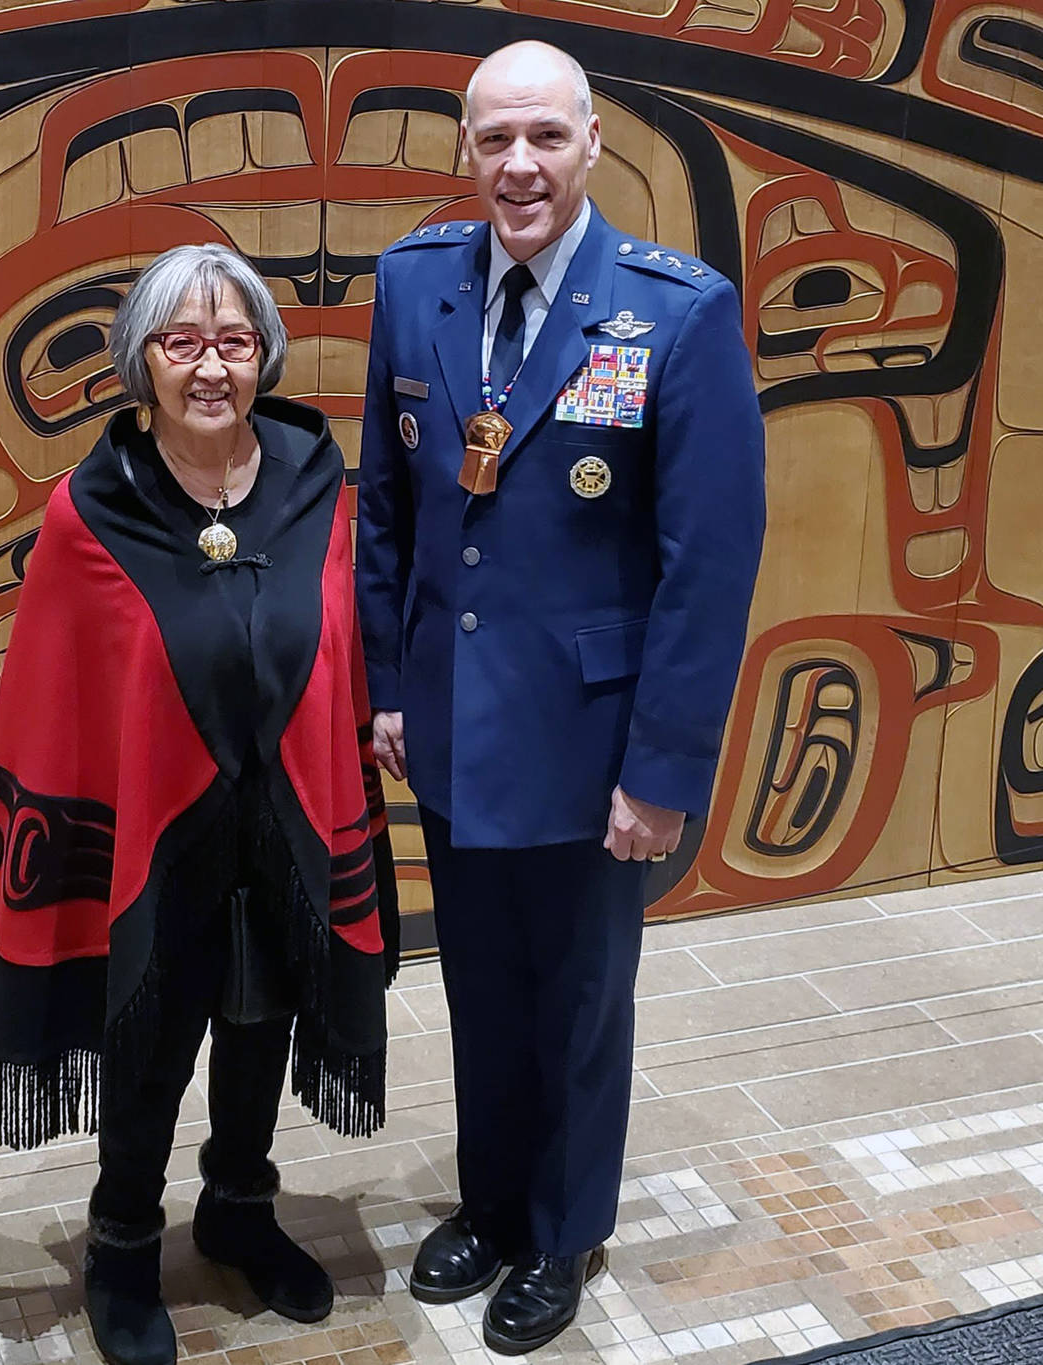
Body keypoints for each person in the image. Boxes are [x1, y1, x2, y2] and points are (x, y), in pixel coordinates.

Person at [355, 40, 767, 1355]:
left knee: (581, 998)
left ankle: (561, 1227)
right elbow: (387, 508)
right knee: (480, 983)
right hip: (455, 721)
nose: (518, 165)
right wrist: (389, 685)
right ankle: (487, 1202)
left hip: (596, 744)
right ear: (465, 151)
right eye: (494, 140)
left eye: (544, 137)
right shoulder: (414, 284)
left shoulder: (676, 311)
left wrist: (663, 769)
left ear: (593, 145)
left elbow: (710, 566)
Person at [0, 243, 400, 1365]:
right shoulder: (91, 509)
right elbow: (53, 698)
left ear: (265, 356)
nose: (210, 366)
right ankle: (119, 1244)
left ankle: (240, 1209)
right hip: (158, 829)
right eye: (181, 340)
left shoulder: (311, 478)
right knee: (149, 1041)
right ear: (138, 360)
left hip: (282, 815)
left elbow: (342, 637)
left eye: (234, 341)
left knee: (262, 1022)